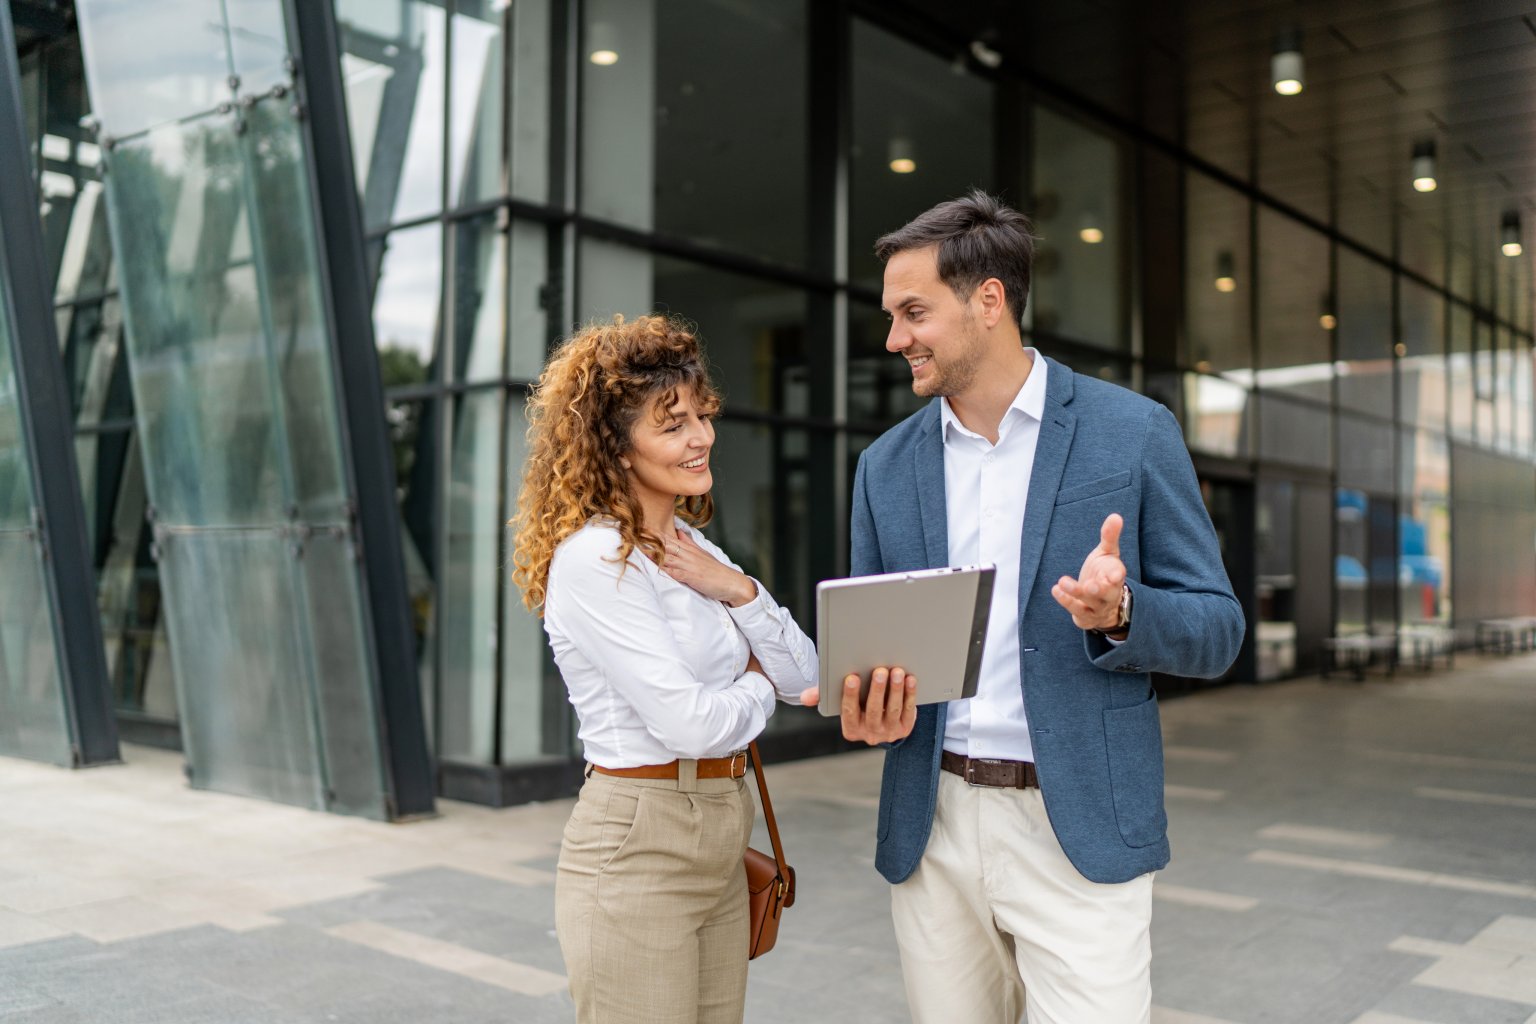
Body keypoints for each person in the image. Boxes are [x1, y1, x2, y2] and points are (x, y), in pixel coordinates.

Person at [806, 191, 1244, 1024]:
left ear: (989, 302)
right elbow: (872, 662)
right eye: (892, 316)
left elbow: (1219, 630)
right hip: (933, 827)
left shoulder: (1133, 433)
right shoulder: (884, 467)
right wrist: (866, 709)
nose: (895, 339)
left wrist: (1122, 613)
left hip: (1076, 829)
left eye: (912, 313)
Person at [511, 314, 816, 1024]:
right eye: (671, 423)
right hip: (639, 841)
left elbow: (808, 677)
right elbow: (688, 721)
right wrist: (755, 685)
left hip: (720, 828)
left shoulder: (693, 550)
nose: (701, 436)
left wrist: (737, 591)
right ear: (615, 448)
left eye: (700, 414)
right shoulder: (593, 560)